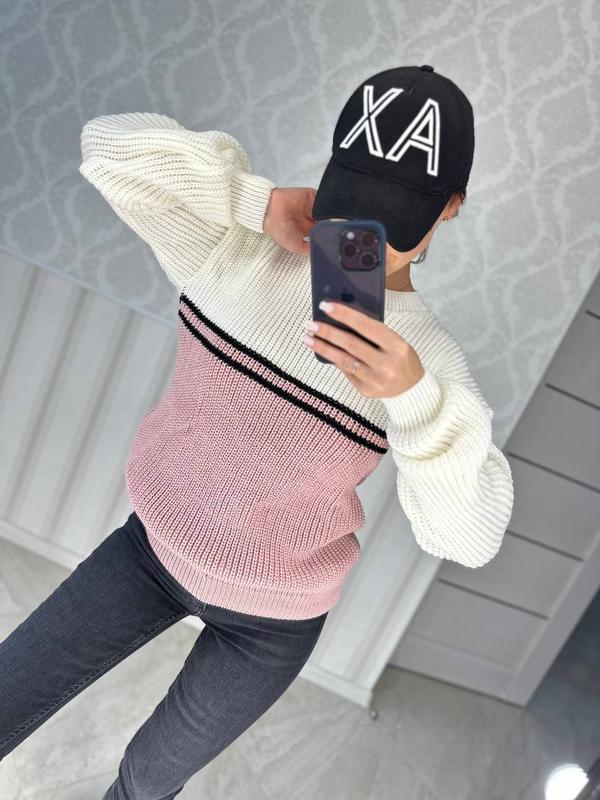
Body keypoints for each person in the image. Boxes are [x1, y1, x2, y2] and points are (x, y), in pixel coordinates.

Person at [0, 65, 513, 798]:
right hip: (149, 554)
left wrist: (415, 400)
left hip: (270, 625)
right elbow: (106, 148)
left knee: (146, 782)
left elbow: (469, 539)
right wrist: (252, 200)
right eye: (353, 200)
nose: (365, 234)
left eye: (392, 216)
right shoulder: (233, 254)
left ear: (451, 207)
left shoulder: (425, 363)